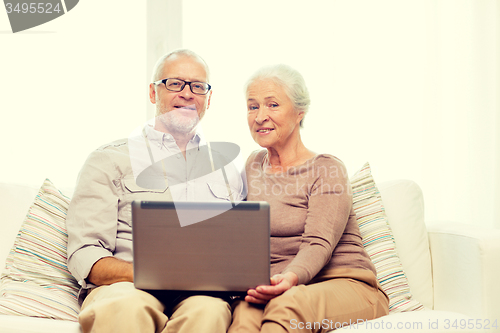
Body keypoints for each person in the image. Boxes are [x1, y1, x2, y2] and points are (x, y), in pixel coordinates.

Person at [66, 49, 245, 333]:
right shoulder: (109, 159)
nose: (187, 94)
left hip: (199, 293)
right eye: (175, 83)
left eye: (198, 86)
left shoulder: (228, 170)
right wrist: (160, 274)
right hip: (125, 288)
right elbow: (85, 254)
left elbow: (240, 250)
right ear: (153, 92)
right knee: (126, 308)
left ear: (208, 99)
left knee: (209, 311)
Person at [228, 64, 389, 333]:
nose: (260, 116)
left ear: (300, 111)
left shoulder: (326, 168)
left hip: (345, 282)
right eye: (252, 106)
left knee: (288, 306)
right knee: (243, 315)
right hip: (276, 285)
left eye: (273, 105)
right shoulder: (252, 165)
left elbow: (318, 242)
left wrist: (289, 278)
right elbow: (243, 237)